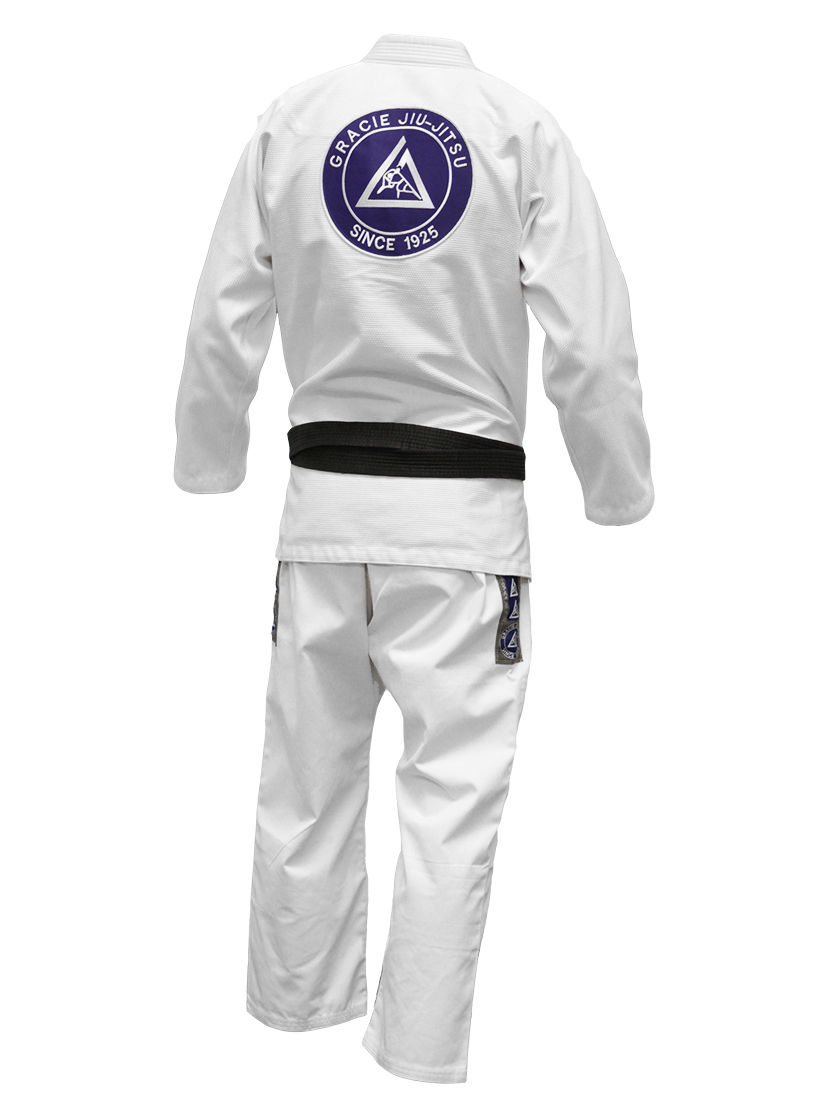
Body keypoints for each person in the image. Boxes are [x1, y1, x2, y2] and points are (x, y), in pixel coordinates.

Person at [174, 33, 653, 1084]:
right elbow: (591, 339)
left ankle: (292, 1012)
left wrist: (208, 459)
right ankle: (417, 1056)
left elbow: (223, 312)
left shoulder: (296, 121)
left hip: (322, 516)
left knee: (304, 782)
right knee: (450, 803)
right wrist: (616, 488)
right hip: (464, 531)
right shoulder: (519, 128)